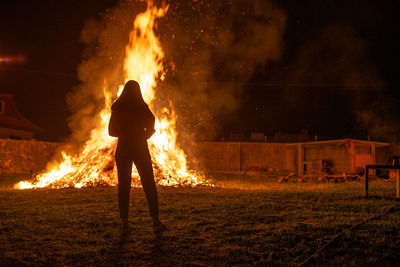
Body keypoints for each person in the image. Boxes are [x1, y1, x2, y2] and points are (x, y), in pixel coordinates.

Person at [108, 80, 166, 233]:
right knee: (148, 183)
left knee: (124, 186)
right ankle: (155, 220)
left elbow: (111, 132)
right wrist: (144, 134)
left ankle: (124, 223)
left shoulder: (117, 108)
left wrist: (125, 133)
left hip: (123, 149)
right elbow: (152, 122)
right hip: (140, 147)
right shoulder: (142, 107)